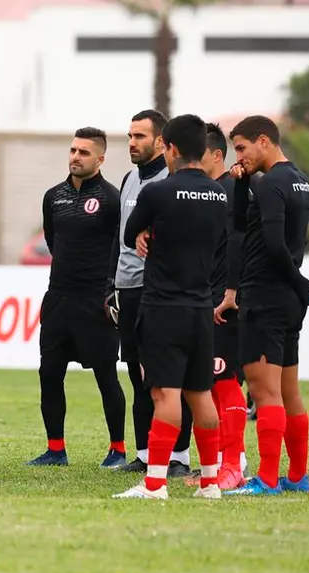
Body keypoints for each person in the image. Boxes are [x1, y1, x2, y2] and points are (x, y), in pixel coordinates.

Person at [114, 114, 227, 500]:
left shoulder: (158, 192)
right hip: (200, 306)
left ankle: (155, 484)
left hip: (164, 305)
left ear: (171, 148)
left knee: (164, 394)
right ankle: (210, 483)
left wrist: (146, 231)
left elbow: (130, 234)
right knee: (201, 395)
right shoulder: (218, 194)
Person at [225, 115, 309, 496]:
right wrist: (243, 183)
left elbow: (272, 243)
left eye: (243, 148)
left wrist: (302, 284)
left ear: (264, 141)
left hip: (266, 295)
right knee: (289, 390)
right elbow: (246, 224)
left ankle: (266, 479)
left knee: (266, 394)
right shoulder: (300, 180)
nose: (240, 156)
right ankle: (297, 476)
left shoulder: (272, 185)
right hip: (286, 301)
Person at [27, 127, 127, 469]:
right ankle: (56, 449)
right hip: (58, 299)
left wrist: (110, 289)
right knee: (49, 373)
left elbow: (120, 246)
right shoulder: (53, 196)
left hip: (95, 300)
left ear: (99, 159)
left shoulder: (112, 199)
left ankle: (118, 449)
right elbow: (54, 242)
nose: (75, 157)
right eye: (72, 150)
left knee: (105, 376)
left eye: (84, 152)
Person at [115, 109, 193, 478]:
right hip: (127, 290)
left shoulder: (171, 180)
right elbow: (120, 240)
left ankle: (178, 456)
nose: (132, 143)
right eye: (130, 136)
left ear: (162, 142)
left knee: (169, 379)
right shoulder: (129, 178)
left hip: (160, 291)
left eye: (140, 137)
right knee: (136, 375)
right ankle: (145, 452)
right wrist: (110, 287)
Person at [196, 123, 252, 489]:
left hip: (227, 299)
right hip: (208, 295)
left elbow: (239, 243)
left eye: (197, 153)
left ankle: (234, 462)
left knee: (226, 378)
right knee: (212, 381)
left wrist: (231, 292)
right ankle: (218, 464)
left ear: (217, 155)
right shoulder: (211, 192)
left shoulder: (230, 191)